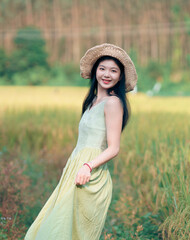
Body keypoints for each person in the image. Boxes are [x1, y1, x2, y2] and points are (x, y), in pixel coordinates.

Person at [25, 43, 137, 239]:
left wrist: (87, 166)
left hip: (90, 175)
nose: (107, 74)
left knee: (65, 230)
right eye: (102, 69)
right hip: (76, 170)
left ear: (120, 76)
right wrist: (73, 167)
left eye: (114, 70)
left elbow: (114, 148)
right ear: (95, 71)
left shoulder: (113, 103)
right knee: (55, 224)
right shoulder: (91, 102)